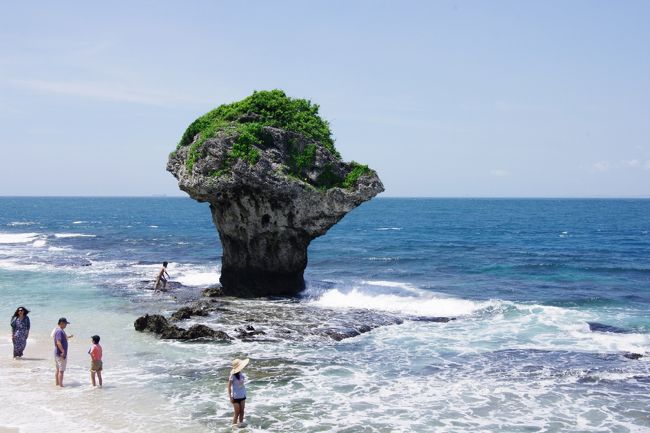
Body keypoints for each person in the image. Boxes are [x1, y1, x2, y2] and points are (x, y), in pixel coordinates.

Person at [227, 358, 250, 426]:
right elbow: (229, 387)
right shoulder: (232, 375)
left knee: (242, 411)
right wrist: (230, 397)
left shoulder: (241, 374)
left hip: (242, 395)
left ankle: (241, 426)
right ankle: (234, 428)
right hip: (235, 397)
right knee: (237, 413)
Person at [53, 317, 73, 387]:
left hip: (57, 353)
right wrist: (63, 351)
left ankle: (57, 384)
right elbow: (58, 342)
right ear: (61, 323)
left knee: (58, 369)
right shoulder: (59, 331)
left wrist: (69, 337)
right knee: (61, 371)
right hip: (60, 353)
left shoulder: (59, 330)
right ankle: (61, 386)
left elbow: (62, 339)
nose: (66, 325)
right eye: (65, 324)